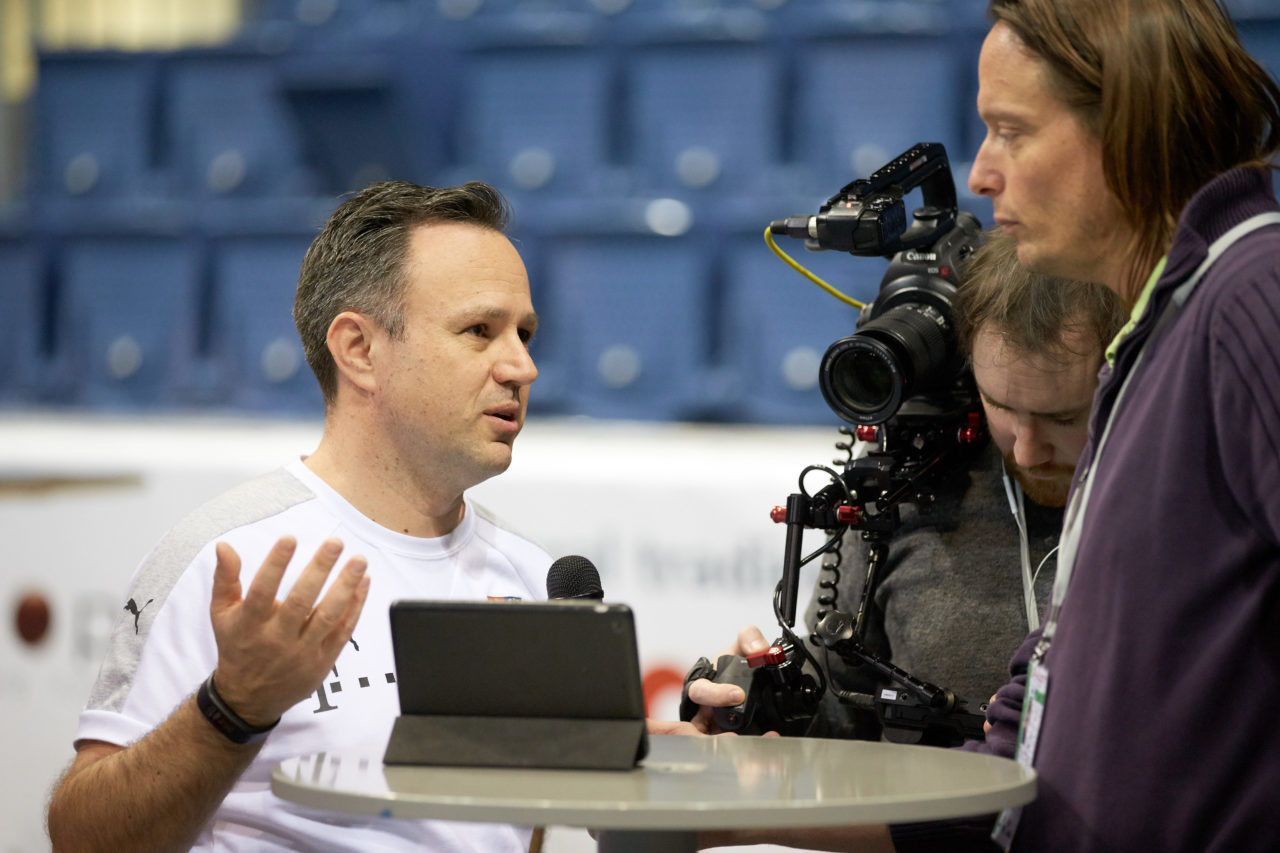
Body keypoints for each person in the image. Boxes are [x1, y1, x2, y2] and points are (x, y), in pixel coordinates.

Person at [697, 0, 1280, 849]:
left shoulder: (1251, 298)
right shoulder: (1162, 339)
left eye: (1011, 130)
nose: (978, 174)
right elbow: (1018, 780)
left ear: (1127, 131)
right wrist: (738, 793)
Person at [46, 181, 553, 852]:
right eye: (480, 331)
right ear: (359, 350)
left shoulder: (538, 578)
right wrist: (232, 708)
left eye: (524, 332)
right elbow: (82, 837)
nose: (523, 366)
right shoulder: (227, 556)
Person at [801, 229, 1124, 742]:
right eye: (1001, 406)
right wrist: (753, 707)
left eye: (1062, 418)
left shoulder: (1187, 498)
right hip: (917, 818)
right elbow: (832, 721)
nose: (1024, 451)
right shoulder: (906, 478)